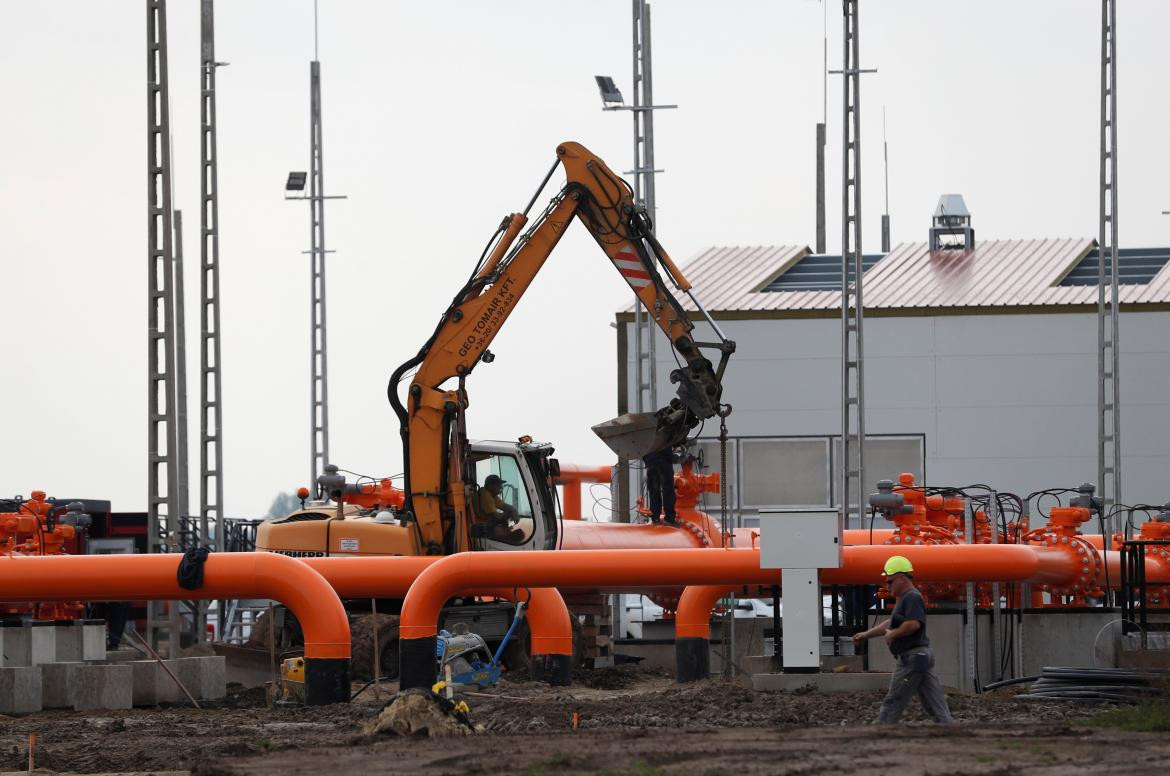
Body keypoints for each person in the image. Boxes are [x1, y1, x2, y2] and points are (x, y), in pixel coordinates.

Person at [852, 555, 953, 724]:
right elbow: (890, 623)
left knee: (895, 698)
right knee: (935, 703)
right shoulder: (904, 599)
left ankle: (881, 733)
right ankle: (949, 731)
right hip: (921, 658)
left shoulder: (911, 597)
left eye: (890, 581)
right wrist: (866, 635)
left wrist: (893, 634)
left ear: (901, 579)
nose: (887, 585)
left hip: (912, 658)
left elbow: (913, 624)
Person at [477, 474, 523, 542]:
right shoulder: (486, 496)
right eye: (498, 485)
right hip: (484, 530)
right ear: (490, 486)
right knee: (519, 534)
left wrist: (514, 511)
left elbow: (504, 506)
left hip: (489, 526)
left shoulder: (492, 495)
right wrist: (510, 514)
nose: (501, 487)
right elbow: (496, 517)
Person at [641, 446, 678, 525]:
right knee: (667, 489)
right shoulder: (664, 434)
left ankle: (655, 518)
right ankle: (669, 518)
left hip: (650, 460)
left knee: (654, 489)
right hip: (664, 458)